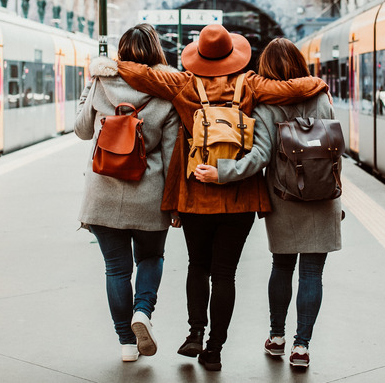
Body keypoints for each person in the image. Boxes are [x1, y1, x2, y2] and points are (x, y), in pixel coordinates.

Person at [108, 24, 329, 371]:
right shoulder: (251, 84)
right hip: (240, 196)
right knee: (225, 273)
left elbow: (142, 76)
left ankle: (195, 333)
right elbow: (288, 89)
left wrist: (111, 65)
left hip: (196, 191)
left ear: (199, 55)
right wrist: (315, 83)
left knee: (198, 266)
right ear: (233, 54)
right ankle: (214, 350)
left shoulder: (182, 83)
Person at [193, 37, 342, 369]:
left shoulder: (265, 104)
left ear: (266, 69)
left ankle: (277, 338)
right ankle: (302, 347)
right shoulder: (321, 96)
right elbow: (334, 148)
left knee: (283, 267)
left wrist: (221, 172)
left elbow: (259, 157)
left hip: (285, 196)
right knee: (313, 273)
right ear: (300, 64)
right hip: (323, 196)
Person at [74, 23, 180, 363]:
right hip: (149, 193)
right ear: (156, 51)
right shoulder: (167, 89)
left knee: (116, 270)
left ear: (120, 51)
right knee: (150, 258)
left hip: (103, 192)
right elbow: (171, 152)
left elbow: (81, 130)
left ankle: (126, 344)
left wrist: (88, 93)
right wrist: (175, 202)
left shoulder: (101, 80)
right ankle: (143, 312)